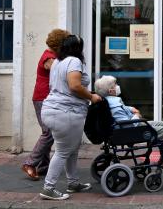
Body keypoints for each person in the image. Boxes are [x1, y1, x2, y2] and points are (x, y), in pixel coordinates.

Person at [39, 35, 102, 201]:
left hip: (53, 109)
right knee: (62, 151)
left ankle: (73, 183)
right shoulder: (74, 61)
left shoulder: (57, 62)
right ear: (77, 48)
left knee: (72, 148)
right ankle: (48, 188)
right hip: (66, 111)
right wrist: (91, 97)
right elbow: (74, 86)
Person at [93, 75, 163, 175]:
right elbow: (126, 125)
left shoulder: (108, 101)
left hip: (127, 128)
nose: (118, 86)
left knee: (161, 123)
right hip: (130, 131)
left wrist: (131, 109)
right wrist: (137, 115)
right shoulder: (114, 105)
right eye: (115, 84)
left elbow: (122, 111)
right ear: (111, 91)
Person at [22, 28, 70, 180]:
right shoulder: (48, 58)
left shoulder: (54, 56)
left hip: (48, 98)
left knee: (48, 131)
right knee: (48, 132)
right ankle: (30, 163)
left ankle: (43, 166)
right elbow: (58, 70)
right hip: (42, 98)